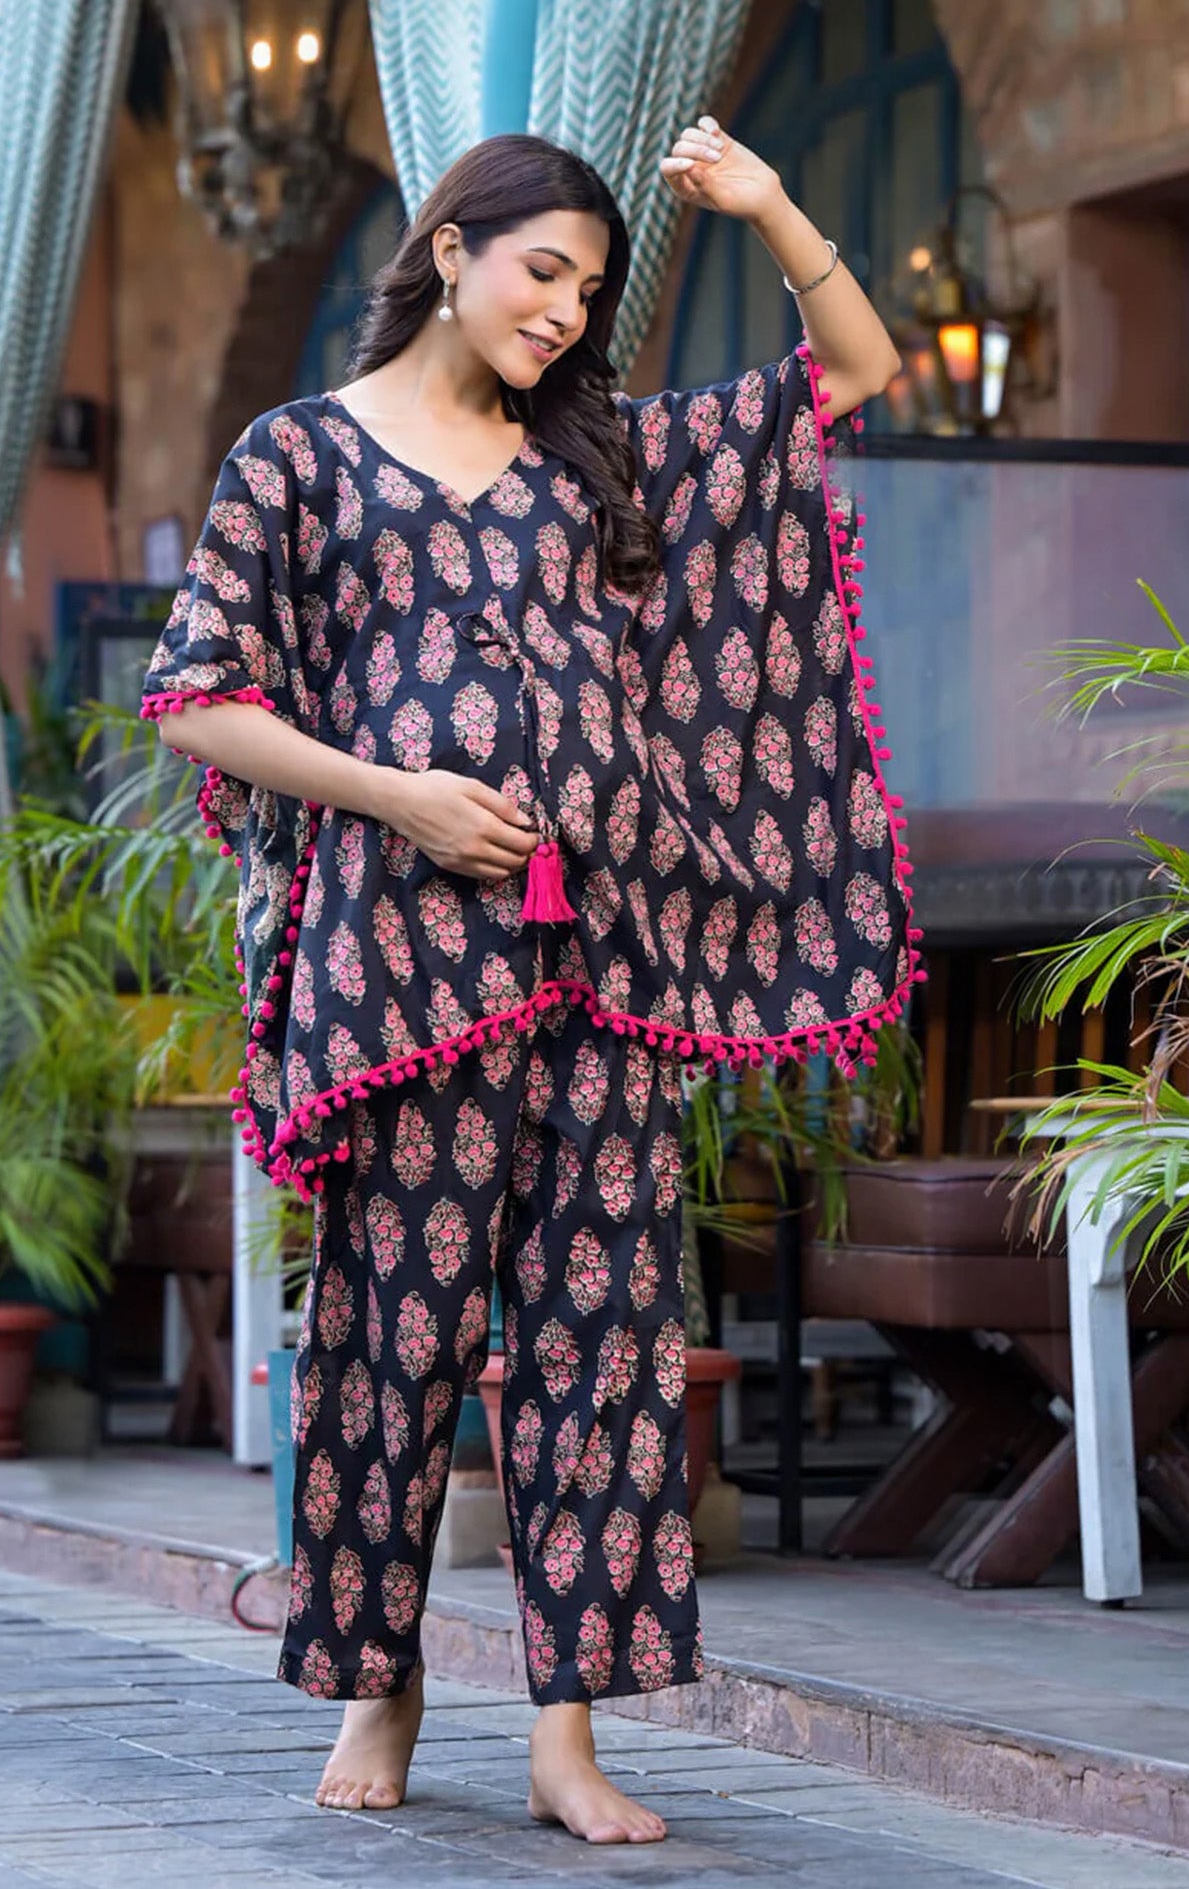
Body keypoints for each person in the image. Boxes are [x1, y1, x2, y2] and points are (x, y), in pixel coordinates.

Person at [140, 118, 916, 1845]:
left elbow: (852, 371)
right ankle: (383, 1690)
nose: (564, 312)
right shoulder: (298, 455)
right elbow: (199, 700)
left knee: (606, 1348)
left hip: (600, 965)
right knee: (390, 1344)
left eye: (589, 288)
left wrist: (770, 203)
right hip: (404, 970)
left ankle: (569, 1741)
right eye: (541, 270)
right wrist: (400, 794)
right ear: (451, 251)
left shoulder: (604, 460)